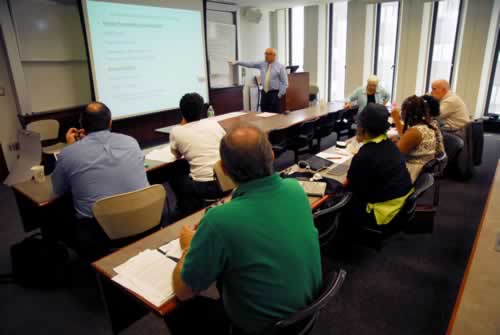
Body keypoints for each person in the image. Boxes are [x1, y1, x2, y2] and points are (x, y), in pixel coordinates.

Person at [167, 124, 322, 335]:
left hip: (261, 329)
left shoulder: (219, 221)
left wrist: (188, 247)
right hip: (303, 315)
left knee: (178, 311)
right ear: (272, 156)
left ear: (222, 169)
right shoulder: (295, 189)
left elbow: (183, 291)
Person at [52, 102, 150, 255]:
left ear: (82, 125)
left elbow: (58, 190)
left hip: (100, 232)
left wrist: (71, 147)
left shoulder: (68, 153)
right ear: (110, 122)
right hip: (144, 218)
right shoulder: (131, 142)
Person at [343, 103, 413, 228]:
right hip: (401, 204)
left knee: (339, 201)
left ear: (362, 128)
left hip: (381, 213)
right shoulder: (390, 144)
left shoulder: (365, 155)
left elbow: (351, 187)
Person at [169, 93, 226, 216]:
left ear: (182, 112)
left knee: (175, 170)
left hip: (202, 187)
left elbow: (177, 156)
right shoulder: (213, 124)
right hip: (226, 181)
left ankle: (184, 209)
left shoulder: (176, 131)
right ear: (202, 110)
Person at [391, 95, 445, 182]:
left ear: (408, 113)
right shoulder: (429, 127)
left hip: (410, 173)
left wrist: (396, 120)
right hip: (421, 171)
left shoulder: (414, 132)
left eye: (402, 110)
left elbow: (393, 156)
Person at [229, 48, 288, 113]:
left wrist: (279, 95)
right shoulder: (262, 63)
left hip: (274, 94)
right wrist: (237, 62)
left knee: (275, 116)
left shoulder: (280, 67)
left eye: (267, 54)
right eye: (265, 54)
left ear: (274, 55)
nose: (265, 56)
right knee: (264, 114)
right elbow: (250, 64)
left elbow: (284, 83)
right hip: (264, 93)